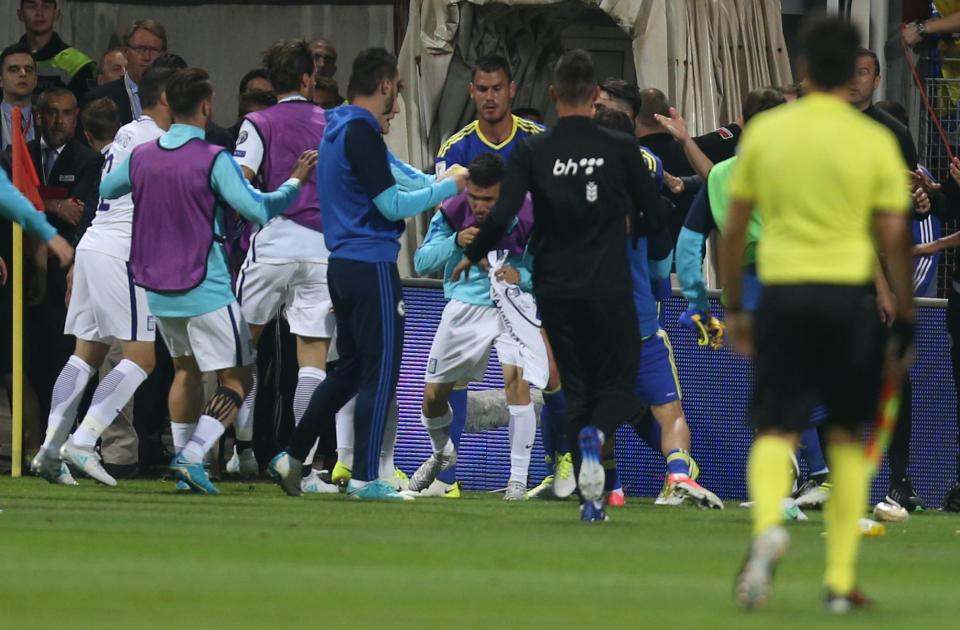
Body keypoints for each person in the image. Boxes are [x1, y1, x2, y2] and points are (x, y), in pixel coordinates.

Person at [724, 17, 914, 612]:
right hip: (846, 297)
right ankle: (838, 581)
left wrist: (734, 306)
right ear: (852, 75)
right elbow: (893, 234)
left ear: (803, 69)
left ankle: (765, 534)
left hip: (782, 293)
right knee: (843, 434)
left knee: (778, 424)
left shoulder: (769, 134)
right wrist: (905, 313)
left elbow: (733, 229)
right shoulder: (873, 140)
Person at [452, 49, 664, 523]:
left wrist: (470, 253)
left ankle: (590, 495)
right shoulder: (622, 148)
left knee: (570, 384)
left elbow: (504, 214)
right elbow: (654, 216)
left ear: (551, 95)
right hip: (608, 284)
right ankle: (597, 438)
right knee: (618, 380)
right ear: (594, 96)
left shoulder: (534, 149)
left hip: (554, 285)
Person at [99, 68, 317, 495]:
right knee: (239, 379)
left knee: (185, 371)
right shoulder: (213, 157)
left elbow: (108, 184)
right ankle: (192, 456)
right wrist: (294, 182)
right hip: (204, 284)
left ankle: (186, 468)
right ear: (205, 105)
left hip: (157, 287)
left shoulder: (142, 155)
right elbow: (256, 209)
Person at [268, 47, 466, 500]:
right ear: (383, 85)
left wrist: (441, 178)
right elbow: (392, 204)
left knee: (349, 370)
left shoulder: (337, 125)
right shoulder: (361, 132)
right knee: (380, 373)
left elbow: (399, 177)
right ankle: (364, 478)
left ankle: (293, 457)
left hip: (342, 265)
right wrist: (449, 188)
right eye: (395, 92)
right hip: (371, 264)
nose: (396, 106)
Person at [29, 70, 173, 487]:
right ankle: (84, 439)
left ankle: (51, 449)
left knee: (85, 354)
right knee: (142, 357)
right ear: (164, 97)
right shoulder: (157, 142)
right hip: (122, 253)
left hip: (94, 245)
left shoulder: (129, 132)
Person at [591, 106, 722, 510]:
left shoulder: (574, 189)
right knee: (669, 411)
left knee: (600, 413)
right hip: (641, 321)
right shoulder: (644, 185)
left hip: (594, 324)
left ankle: (610, 487)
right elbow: (662, 253)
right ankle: (679, 475)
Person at [230, 39, 337, 494]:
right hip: (322, 248)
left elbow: (239, 184)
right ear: (309, 79)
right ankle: (303, 468)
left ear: (273, 84)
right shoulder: (332, 123)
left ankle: (243, 450)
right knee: (312, 358)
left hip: (272, 243)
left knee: (238, 349)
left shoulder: (257, 122)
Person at [409, 152, 545, 501]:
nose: (481, 207)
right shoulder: (452, 212)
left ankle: (517, 481)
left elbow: (547, 270)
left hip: (512, 305)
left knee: (518, 385)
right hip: (463, 308)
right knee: (431, 399)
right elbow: (421, 262)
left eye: (490, 199)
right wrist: (455, 242)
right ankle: (443, 452)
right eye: (475, 198)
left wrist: (522, 275)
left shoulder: (530, 214)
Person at [435, 55, 544, 176]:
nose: (489, 97)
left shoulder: (542, 140)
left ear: (511, 89)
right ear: (472, 91)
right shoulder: (453, 150)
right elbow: (443, 193)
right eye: (482, 89)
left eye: (497, 89)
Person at [81, 20, 167, 125]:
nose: (147, 57)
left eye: (154, 50)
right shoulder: (98, 98)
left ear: (163, 54)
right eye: (140, 49)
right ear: (126, 53)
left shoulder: (175, 97)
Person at [16, 0, 95, 100]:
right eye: (32, 6)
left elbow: (86, 111)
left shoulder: (77, 64)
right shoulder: (4, 61)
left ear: (56, 14)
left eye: (46, 6)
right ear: (20, 14)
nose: (39, 13)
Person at [1, 44, 37, 151]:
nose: (23, 74)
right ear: (1, 80)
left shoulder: (47, 121)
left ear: (36, 80)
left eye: (28, 69)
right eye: (14, 69)